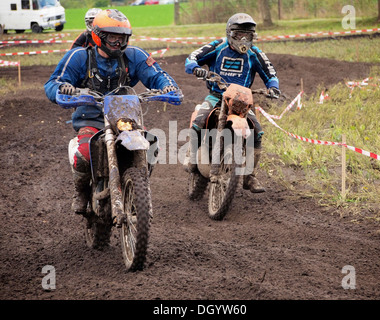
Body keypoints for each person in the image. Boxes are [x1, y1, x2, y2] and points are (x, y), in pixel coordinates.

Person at [44, 9, 179, 215]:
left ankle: (137, 185)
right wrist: (63, 89)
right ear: (99, 35)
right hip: (90, 116)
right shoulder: (79, 57)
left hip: (125, 116)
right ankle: (80, 191)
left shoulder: (135, 55)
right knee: (85, 153)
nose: (118, 42)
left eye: (122, 38)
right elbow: (54, 82)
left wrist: (168, 87)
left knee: (151, 142)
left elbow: (157, 74)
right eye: (113, 37)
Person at [184, 13, 280, 193]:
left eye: (248, 35)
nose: (243, 39)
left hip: (241, 101)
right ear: (230, 33)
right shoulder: (217, 46)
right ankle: (192, 157)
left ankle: (249, 175)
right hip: (216, 96)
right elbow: (192, 58)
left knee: (257, 132)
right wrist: (196, 68)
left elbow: (270, 73)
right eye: (239, 35)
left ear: (253, 37)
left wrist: (273, 87)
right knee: (199, 121)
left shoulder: (254, 53)